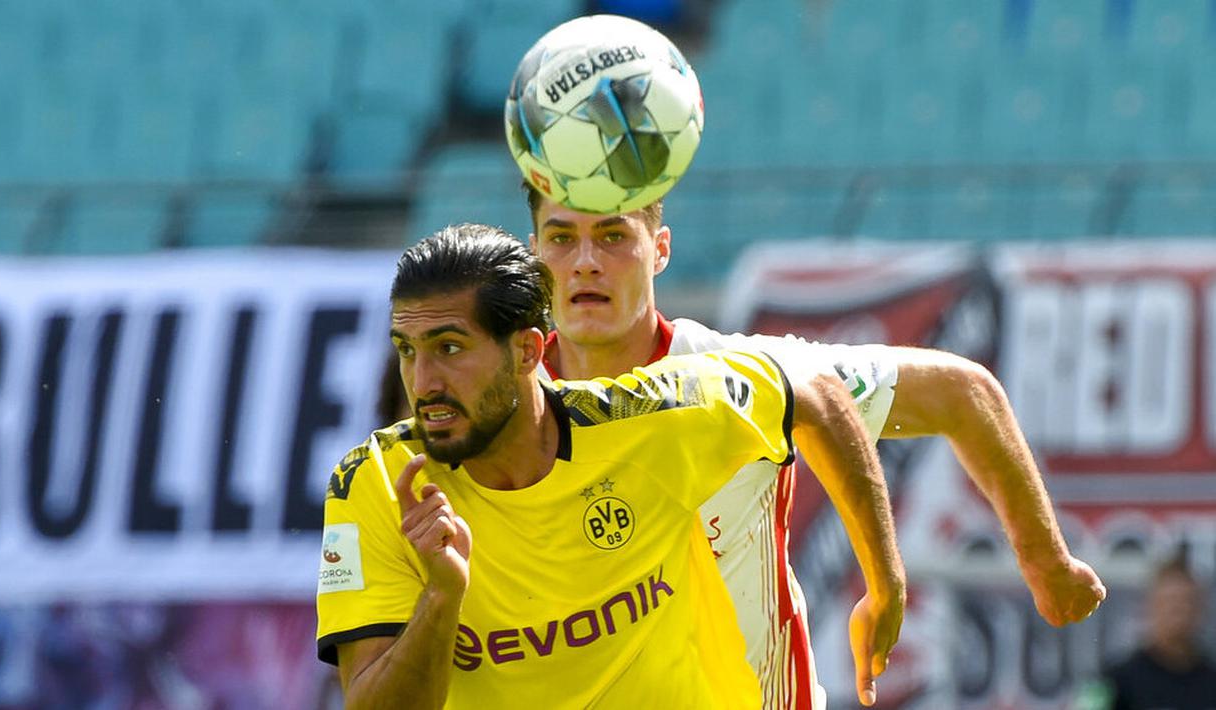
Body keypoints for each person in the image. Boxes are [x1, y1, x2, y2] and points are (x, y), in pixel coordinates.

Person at [523, 186, 1108, 709]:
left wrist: (1045, 561)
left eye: (613, 236)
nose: (586, 263)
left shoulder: (748, 375)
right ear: (535, 254)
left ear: (661, 249)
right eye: (561, 239)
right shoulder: (498, 410)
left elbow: (962, 392)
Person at [315, 224, 906, 708]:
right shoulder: (377, 482)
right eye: (407, 352)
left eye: (449, 349)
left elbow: (819, 394)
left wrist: (884, 583)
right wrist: (441, 599)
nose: (423, 384)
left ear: (527, 349)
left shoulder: (648, 417)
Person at [1103, 555, 1216, 710]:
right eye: (1170, 603)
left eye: (1187, 602)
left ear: (1201, 609)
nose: (1179, 612)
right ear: (1150, 606)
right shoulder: (1117, 679)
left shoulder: (1211, 678)